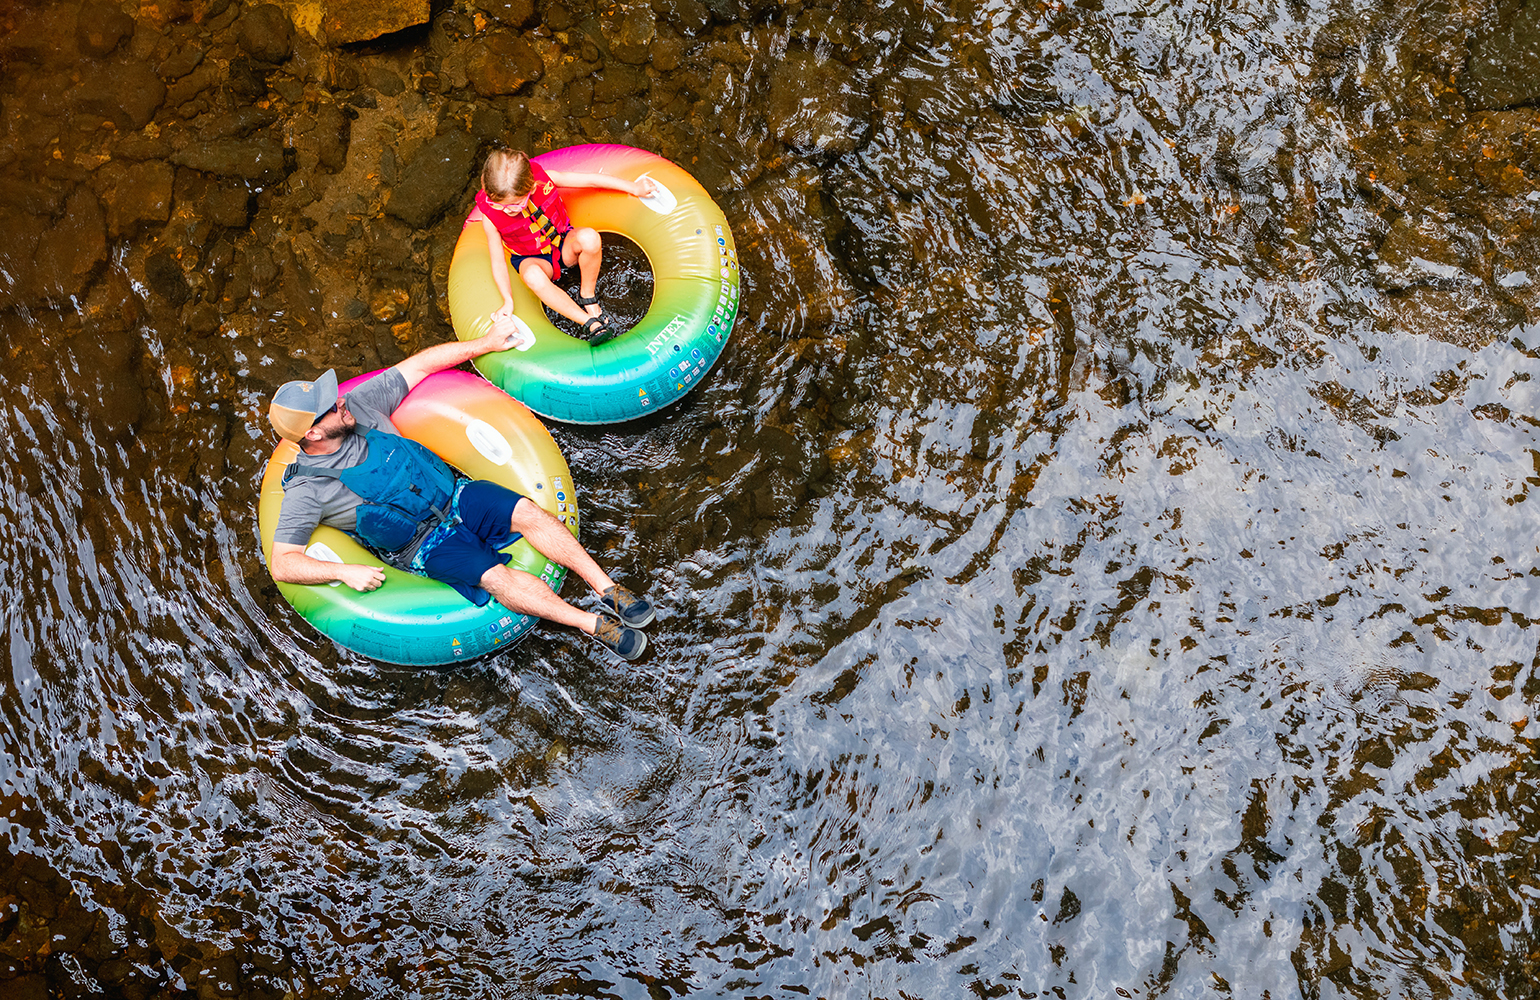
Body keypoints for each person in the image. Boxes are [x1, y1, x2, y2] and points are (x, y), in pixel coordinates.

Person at [266, 329, 654, 660]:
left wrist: (485, 342)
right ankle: (593, 624)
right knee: (494, 576)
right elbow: (283, 564)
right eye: (329, 408)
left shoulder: (359, 406)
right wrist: (343, 571)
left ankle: (607, 588)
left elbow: (418, 365)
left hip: (456, 495)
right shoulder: (307, 489)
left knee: (529, 513)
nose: (340, 401)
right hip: (420, 545)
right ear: (312, 433)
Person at [467, 147, 657, 345]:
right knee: (532, 275)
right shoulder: (491, 217)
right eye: (499, 205)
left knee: (590, 238)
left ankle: (587, 295)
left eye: (514, 205)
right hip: (533, 259)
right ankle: (589, 322)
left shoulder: (545, 179)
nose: (507, 210)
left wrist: (634, 188)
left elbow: (590, 180)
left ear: (531, 188)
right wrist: (508, 300)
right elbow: (497, 260)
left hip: (563, 242)